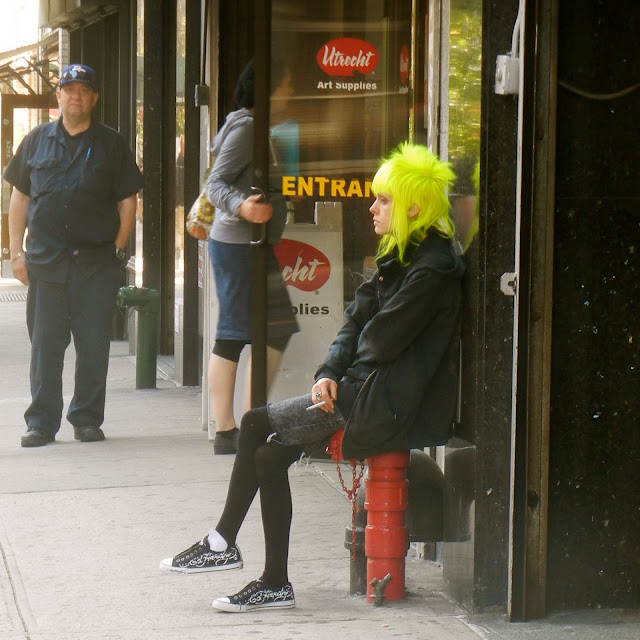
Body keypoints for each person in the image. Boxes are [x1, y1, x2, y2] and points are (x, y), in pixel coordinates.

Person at [160, 142, 465, 613]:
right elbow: (355, 321)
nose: (372, 207)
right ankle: (272, 582)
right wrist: (327, 372)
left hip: (387, 404)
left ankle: (222, 543)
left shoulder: (433, 269)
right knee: (268, 455)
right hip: (366, 389)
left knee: (255, 423)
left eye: (383, 200)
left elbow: (380, 339)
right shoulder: (401, 254)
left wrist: (337, 380)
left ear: (413, 208)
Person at [2, 63, 143, 448]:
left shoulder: (112, 143)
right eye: (69, 89)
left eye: (83, 90)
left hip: (95, 265)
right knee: (45, 346)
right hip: (46, 264)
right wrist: (16, 254)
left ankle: (87, 419)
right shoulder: (36, 141)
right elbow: (19, 198)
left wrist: (117, 249)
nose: (76, 96)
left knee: (93, 345)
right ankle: (41, 423)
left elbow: (128, 201)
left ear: (93, 98)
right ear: (59, 96)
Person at [205, 60, 298, 455]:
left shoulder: (256, 126)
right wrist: (243, 206)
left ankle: (245, 425)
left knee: (272, 328)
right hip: (238, 245)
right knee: (233, 333)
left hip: (249, 245)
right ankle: (231, 429)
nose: (291, 92)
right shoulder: (247, 128)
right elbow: (215, 183)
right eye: (286, 84)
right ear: (269, 90)